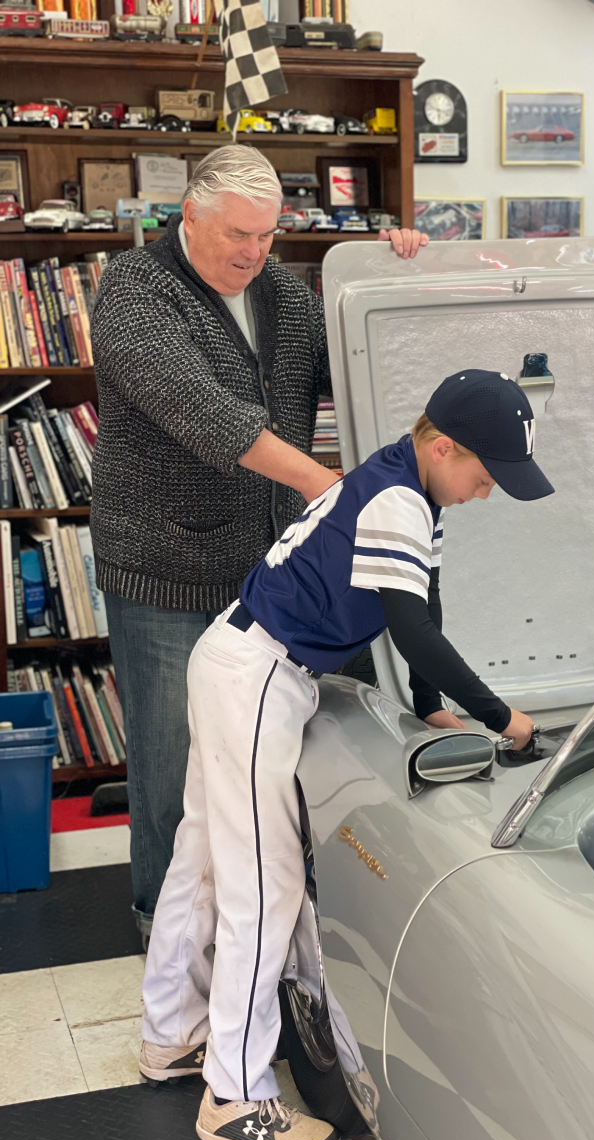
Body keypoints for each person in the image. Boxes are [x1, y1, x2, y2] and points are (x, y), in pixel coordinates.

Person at [138, 369, 554, 1140]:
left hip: (237, 660)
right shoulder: (399, 500)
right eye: (484, 474)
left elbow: (420, 609)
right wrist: (505, 718)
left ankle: (170, 1033)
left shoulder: (402, 483)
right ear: (441, 445)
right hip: (260, 674)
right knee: (265, 886)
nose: (487, 492)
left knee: (201, 865)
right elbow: (413, 632)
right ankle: (234, 1096)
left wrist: (433, 706)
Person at [89, 145, 428, 938]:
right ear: (190, 217)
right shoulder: (134, 293)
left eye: (268, 236)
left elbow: (362, 369)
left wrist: (392, 280)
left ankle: (272, 932)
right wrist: (327, 486)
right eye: (237, 234)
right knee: (177, 769)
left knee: (281, 760)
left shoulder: (284, 293)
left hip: (275, 576)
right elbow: (208, 415)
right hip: (166, 571)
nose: (253, 252)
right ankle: (167, 937)